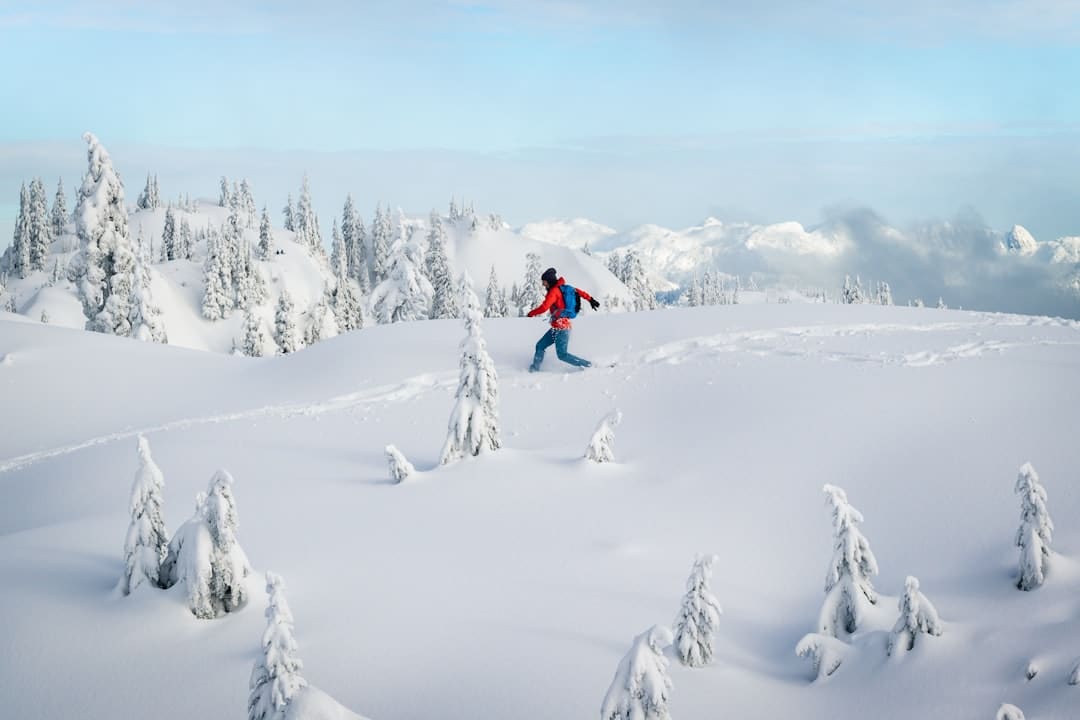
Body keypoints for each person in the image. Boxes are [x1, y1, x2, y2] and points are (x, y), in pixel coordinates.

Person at [526, 267, 600, 372]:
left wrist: (531, 313)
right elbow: (580, 292)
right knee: (540, 346)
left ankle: (589, 366)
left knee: (562, 355)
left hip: (562, 327)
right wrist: (591, 300)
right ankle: (534, 369)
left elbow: (544, 307)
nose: (543, 284)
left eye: (544, 282)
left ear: (549, 281)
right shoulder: (564, 288)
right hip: (556, 327)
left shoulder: (554, 292)